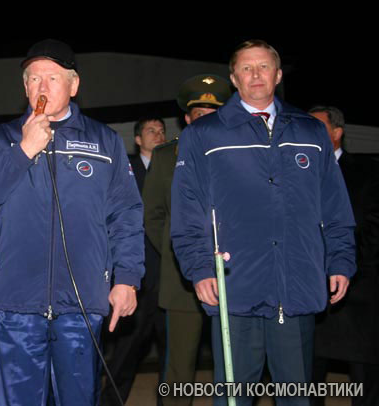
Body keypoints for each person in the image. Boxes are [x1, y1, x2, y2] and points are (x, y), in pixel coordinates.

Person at [170, 40, 356, 406]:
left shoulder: (310, 131)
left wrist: (340, 260)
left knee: (296, 396)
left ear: (279, 74)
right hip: (234, 289)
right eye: (246, 68)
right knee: (233, 398)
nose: (256, 75)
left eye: (264, 67)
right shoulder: (204, 134)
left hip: (296, 286)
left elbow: (335, 205)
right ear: (234, 78)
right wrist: (199, 268)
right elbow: (188, 210)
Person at [0, 38, 144, 406]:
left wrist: (127, 278)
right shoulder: (0, 139)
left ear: (74, 86)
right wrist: (24, 149)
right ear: (24, 87)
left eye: (53, 77)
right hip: (18, 302)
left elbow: (125, 213)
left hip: (81, 302)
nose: (42, 86)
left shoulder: (104, 141)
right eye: (34, 78)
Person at [143, 74, 231, 406]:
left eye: (212, 114)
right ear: (188, 119)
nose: (204, 120)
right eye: (198, 114)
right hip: (182, 280)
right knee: (179, 367)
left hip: (233, 274)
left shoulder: (236, 152)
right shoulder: (167, 156)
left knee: (233, 363)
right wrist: (177, 252)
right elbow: (153, 215)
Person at [309, 106, 379, 406]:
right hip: (311, 293)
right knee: (307, 378)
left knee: (363, 380)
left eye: (316, 127)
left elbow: (372, 229)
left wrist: (345, 268)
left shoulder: (368, 172)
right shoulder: (296, 172)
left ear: (337, 133)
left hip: (357, 293)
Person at [100, 117, 166, 405]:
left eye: (162, 130)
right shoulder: (125, 169)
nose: (158, 135)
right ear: (138, 139)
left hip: (167, 273)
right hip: (135, 274)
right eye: (151, 131)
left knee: (171, 350)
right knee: (127, 349)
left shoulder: (173, 168)